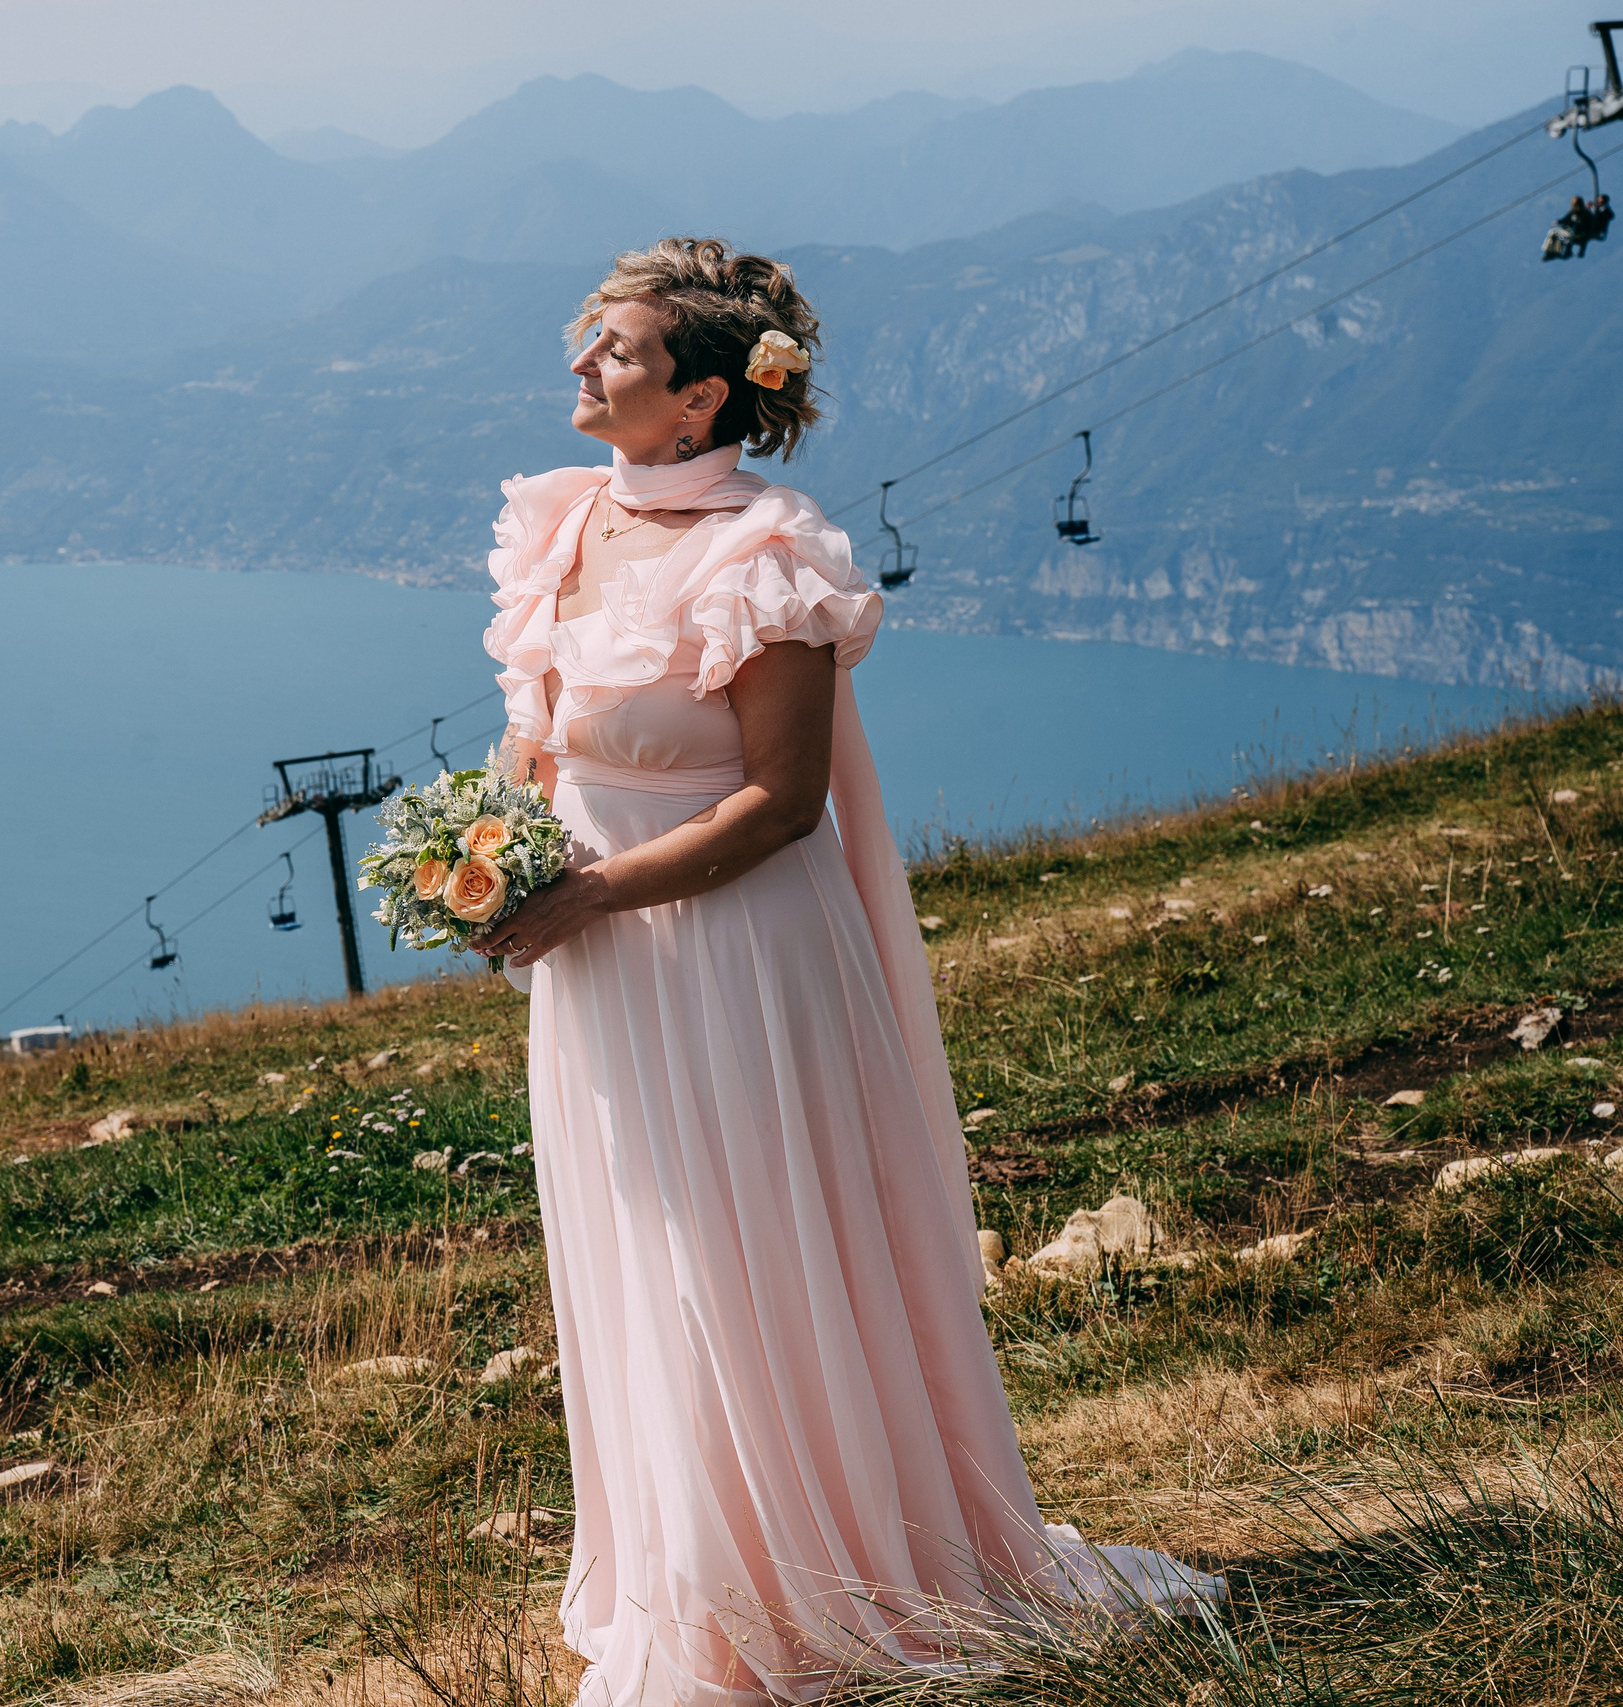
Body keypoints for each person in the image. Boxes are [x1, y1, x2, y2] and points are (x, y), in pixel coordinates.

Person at [471, 238, 1221, 1707]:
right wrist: (486, 851)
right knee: (645, 1253)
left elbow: (784, 800)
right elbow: (542, 735)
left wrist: (592, 894)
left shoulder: (764, 555)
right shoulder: (564, 524)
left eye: (612, 350)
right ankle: (691, 1564)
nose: (579, 366)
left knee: (743, 1254)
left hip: (734, 958)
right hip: (603, 973)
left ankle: (806, 1586)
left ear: (697, 403)